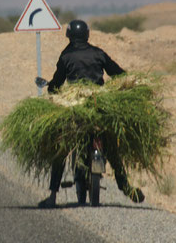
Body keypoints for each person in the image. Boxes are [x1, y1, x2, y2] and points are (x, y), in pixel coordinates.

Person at [38, 19, 145, 208]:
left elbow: (56, 82)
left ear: (69, 35)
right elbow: (118, 73)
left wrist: (51, 89)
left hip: (75, 108)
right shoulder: (98, 53)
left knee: (61, 149)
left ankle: (53, 196)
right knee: (112, 148)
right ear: (87, 34)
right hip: (100, 105)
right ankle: (126, 187)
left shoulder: (66, 56)